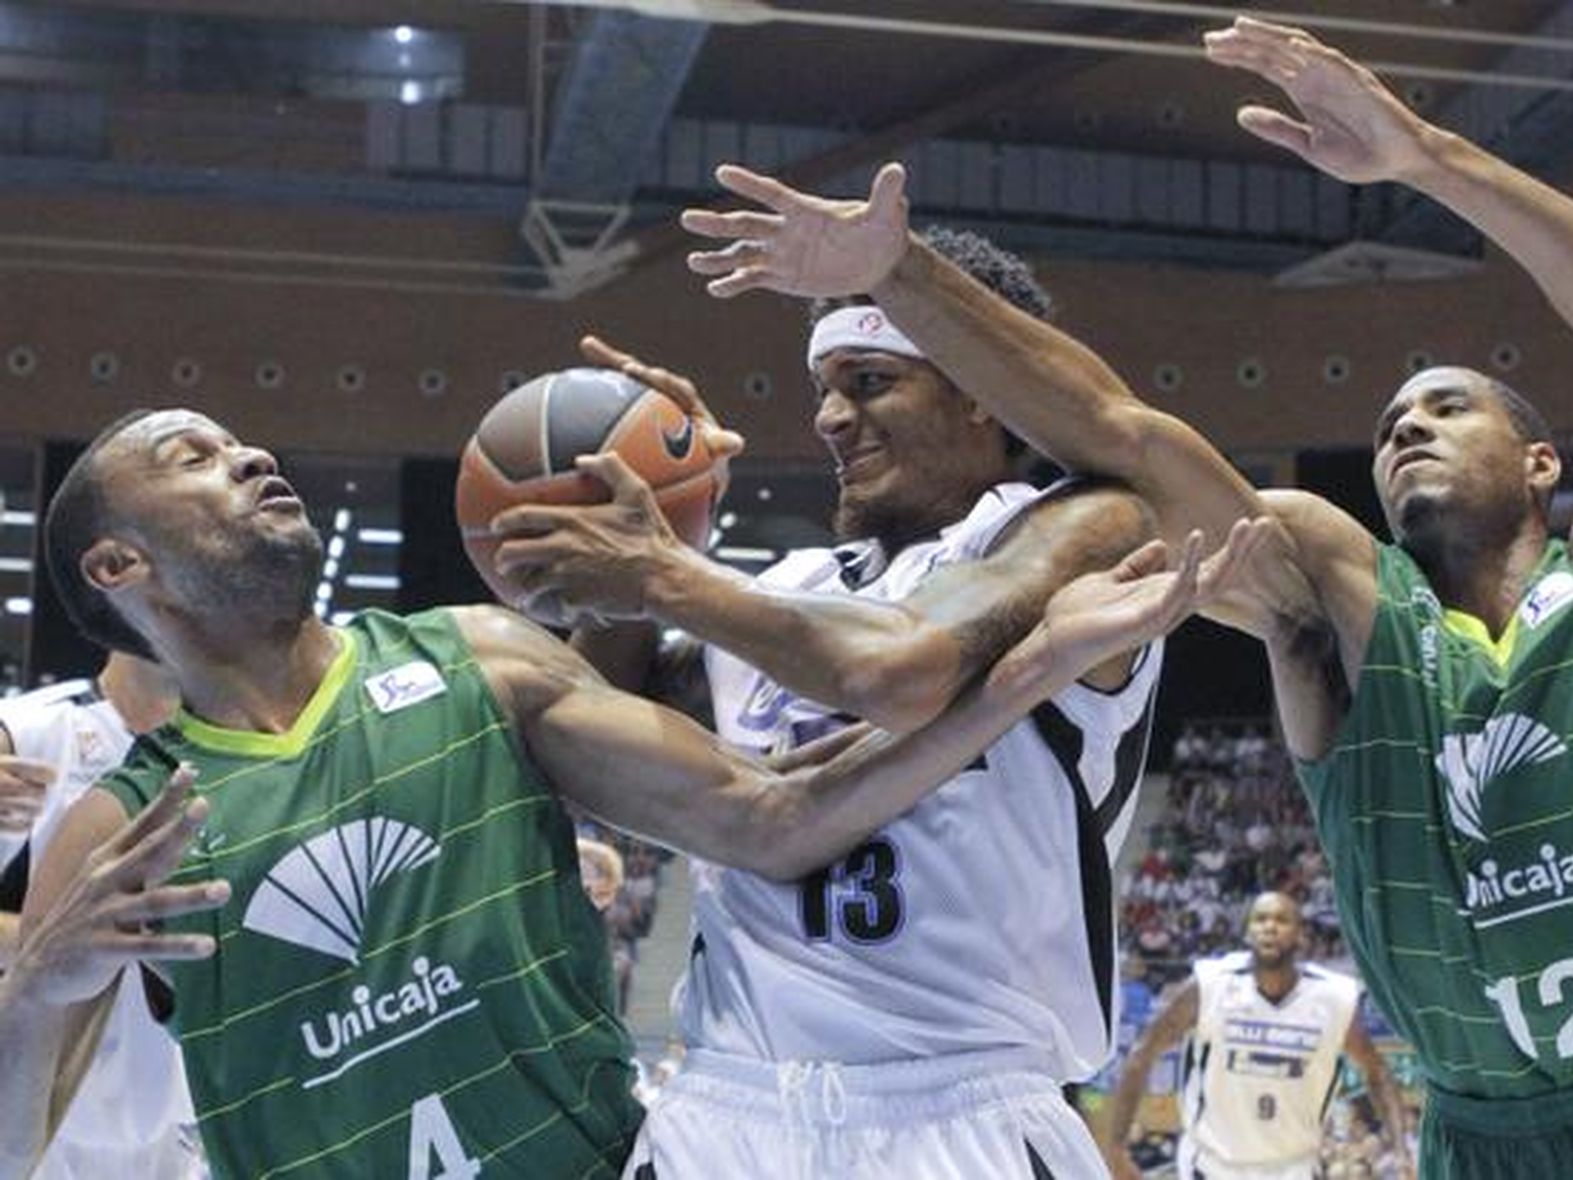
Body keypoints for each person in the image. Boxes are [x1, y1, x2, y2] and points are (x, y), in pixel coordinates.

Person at [676, 14, 1573, 1177]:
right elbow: (1126, 437)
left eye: (1447, 407)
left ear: (1542, 460)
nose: (1407, 426)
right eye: (1386, 424)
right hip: (1477, 1132)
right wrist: (894, 275)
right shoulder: (1333, 599)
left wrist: (1428, 158)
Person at [0, 407, 1259, 1180]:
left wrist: (1022, 676)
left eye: (240, 441)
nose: (251, 454)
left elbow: (769, 820)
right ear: (118, 564)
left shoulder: (481, 661)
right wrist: (34, 985)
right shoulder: (125, 823)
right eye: (194, 458)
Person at [492, 229, 1180, 1178]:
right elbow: (605, 735)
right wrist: (671, 517)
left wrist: (663, 575)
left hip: (962, 1108)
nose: (828, 418)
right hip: (726, 1109)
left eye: (869, 383)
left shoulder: (1085, 529)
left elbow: (898, 670)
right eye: (824, 390)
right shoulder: (787, 591)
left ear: (981, 387)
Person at [0, 653, 202, 1180]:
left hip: (180, 1113)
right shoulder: (31, 730)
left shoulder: (230, 746)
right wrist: (49, 941)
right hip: (37, 1113)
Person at [1102, 892, 1410, 1180]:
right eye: (1260, 919)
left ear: (1300, 934)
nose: (1269, 927)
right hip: (1211, 1166)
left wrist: (1401, 1149)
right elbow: (1143, 1054)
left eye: (1281, 920)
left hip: (1296, 1167)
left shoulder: (1333, 998)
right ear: (1248, 932)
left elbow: (1378, 1072)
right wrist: (1116, 1145)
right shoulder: (1210, 986)